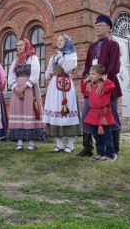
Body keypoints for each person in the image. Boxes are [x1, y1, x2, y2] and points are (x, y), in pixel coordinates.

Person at [79, 14, 122, 157]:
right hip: (91, 88)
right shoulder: (92, 47)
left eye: (101, 25)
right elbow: (87, 68)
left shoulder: (113, 45)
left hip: (107, 87)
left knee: (111, 116)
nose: (97, 28)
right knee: (87, 115)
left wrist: (103, 82)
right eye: (95, 26)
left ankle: (113, 149)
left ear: (108, 28)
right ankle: (88, 147)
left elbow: (114, 67)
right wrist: (88, 81)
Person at [43, 33, 81, 152]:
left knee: (67, 111)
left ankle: (70, 144)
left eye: (61, 40)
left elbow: (67, 69)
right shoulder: (53, 57)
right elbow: (48, 71)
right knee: (55, 111)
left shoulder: (72, 55)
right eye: (58, 40)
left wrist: (61, 58)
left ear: (67, 42)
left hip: (66, 87)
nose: (58, 42)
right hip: (54, 87)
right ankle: (58, 144)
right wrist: (48, 74)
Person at [7, 37, 46, 150]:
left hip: (30, 89)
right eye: (17, 46)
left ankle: (31, 141)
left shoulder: (33, 58)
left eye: (21, 45)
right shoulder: (15, 61)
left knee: (30, 111)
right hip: (17, 90)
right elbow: (11, 76)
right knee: (19, 111)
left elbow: (35, 75)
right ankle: (19, 141)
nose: (19, 47)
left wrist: (23, 87)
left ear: (26, 46)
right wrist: (16, 88)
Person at [81, 64, 117, 162]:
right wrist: (86, 81)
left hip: (103, 115)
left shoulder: (104, 86)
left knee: (107, 135)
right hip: (93, 114)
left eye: (93, 74)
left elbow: (112, 86)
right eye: (90, 74)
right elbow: (83, 90)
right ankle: (100, 153)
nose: (91, 76)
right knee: (97, 136)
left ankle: (110, 154)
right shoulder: (91, 86)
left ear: (100, 75)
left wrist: (105, 80)